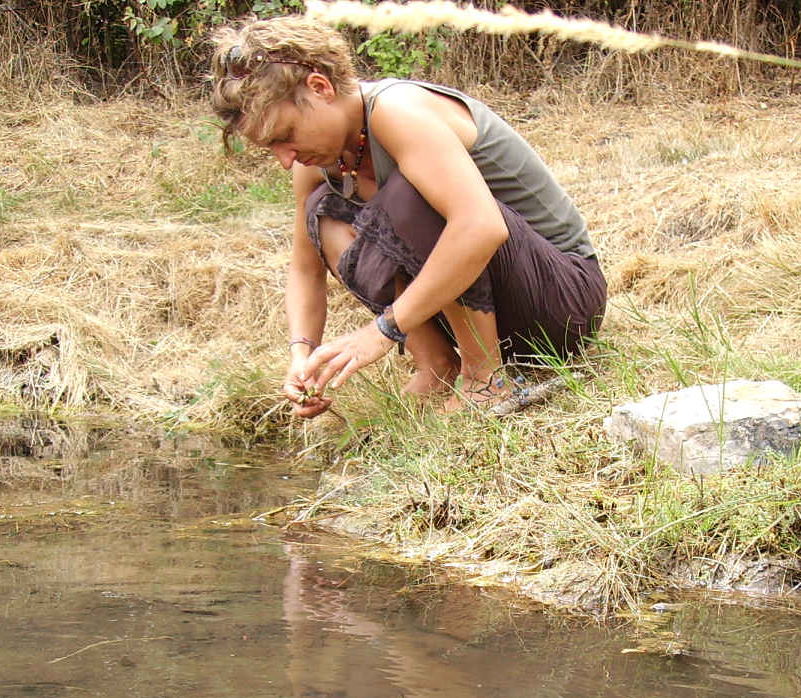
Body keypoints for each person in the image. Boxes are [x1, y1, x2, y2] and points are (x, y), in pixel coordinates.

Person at [209, 17, 606, 416]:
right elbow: (305, 268)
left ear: (320, 87)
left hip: (562, 304)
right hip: (494, 309)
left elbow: (481, 227)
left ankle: (485, 380)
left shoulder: (397, 110)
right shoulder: (316, 164)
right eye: (271, 147)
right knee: (322, 212)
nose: (284, 159)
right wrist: (302, 355)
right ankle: (437, 364)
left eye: (285, 136)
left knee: (410, 194)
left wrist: (382, 330)